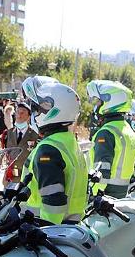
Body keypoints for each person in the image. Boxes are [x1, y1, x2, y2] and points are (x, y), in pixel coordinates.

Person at [22, 78, 89, 223]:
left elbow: (53, 201)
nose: (33, 114)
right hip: (71, 225)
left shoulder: (48, 149)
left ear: (51, 110)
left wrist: (47, 231)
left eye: (36, 109)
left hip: (45, 228)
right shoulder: (68, 141)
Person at [86, 79, 135, 198]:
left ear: (110, 102)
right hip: (122, 192)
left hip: (105, 194)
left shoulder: (106, 132)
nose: (96, 105)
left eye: (98, 102)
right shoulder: (128, 130)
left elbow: (102, 168)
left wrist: (94, 195)